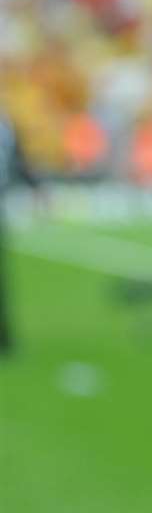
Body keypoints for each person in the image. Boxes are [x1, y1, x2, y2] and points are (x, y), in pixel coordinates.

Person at [0, 111, 42, 357]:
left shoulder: (7, 124)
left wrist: (34, 185)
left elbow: (19, 160)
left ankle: (4, 337)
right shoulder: (6, 123)